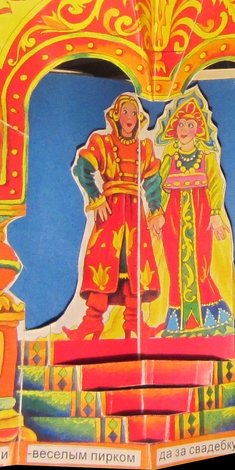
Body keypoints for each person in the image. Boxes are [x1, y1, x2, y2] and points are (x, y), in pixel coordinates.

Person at [67, 93, 163, 340]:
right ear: (116, 116)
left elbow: (152, 181)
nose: (129, 117)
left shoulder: (145, 147)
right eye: (125, 112)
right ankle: (91, 323)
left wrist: (155, 211)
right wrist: (96, 198)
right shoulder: (103, 142)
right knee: (103, 261)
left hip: (134, 213)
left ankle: (134, 323)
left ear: (139, 118)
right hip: (110, 212)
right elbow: (82, 168)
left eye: (134, 113)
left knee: (135, 265)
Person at [155, 91, 235, 336]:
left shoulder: (207, 157)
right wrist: (157, 214)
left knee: (201, 263)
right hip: (172, 216)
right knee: (174, 266)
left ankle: (213, 318)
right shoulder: (169, 158)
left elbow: (216, 185)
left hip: (201, 212)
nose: (184, 129)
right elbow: (159, 187)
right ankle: (178, 321)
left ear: (198, 130)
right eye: (181, 124)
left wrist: (215, 213)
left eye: (190, 125)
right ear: (173, 128)